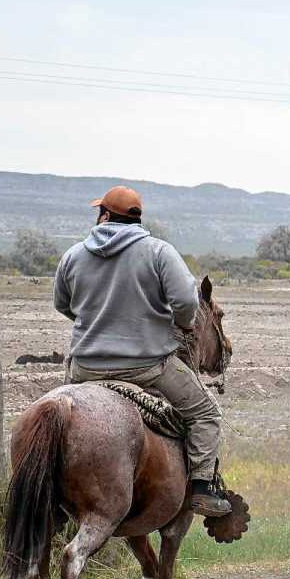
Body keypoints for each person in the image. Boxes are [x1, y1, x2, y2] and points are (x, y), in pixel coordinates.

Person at [53, 185, 231, 517]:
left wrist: (96, 323)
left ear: (105, 216)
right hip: (148, 367)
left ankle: (52, 497)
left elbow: (62, 304)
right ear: (136, 218)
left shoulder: (73, 255)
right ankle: (202, 490)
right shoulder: (159, 252)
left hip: (85, 367)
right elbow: (187, 302)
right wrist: (180, 323)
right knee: (206, 413)